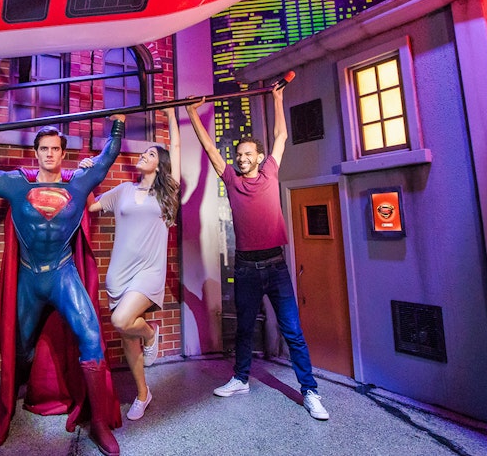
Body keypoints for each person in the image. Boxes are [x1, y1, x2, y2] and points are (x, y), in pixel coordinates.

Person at [0, 117, 126, 456]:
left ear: (62, 153)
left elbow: (108, 158)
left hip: (62, 274)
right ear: (36, 152)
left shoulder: (79, 184)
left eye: (56, 148)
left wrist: (118, 125)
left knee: (91, 338)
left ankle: (98, 423)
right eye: (44, 148)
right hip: (28, 277)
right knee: (20, 347)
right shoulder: (16, 185)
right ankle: (10, 406)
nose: (50, 153)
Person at [185, 84, 330, 421]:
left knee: (292, 330)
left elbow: (281, 134)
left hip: (276, 267)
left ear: (259, 158)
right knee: (245, 328)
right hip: (247, 268)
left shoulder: (270, 172)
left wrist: (278, 99)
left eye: (249, 153)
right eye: (240, 154)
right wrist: (193, 112)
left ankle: (310, 392)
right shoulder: (232, 179)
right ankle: (240, 379)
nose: (242, 157)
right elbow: (209, 148)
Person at [81, 108, 180, 421]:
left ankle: (150, 334)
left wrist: (171, 115)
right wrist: (86, 174)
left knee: (123, 321)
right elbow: (94, 205)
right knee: (126, 339)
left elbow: (175, 149)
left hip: (148, 271)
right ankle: (142, 394)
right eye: (145, 151)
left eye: (151, 153)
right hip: (119, 274)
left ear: (160, 165)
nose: (144, 154)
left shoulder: (168, 194)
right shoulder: (123, 190)